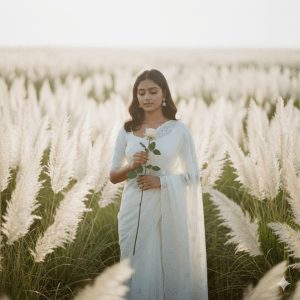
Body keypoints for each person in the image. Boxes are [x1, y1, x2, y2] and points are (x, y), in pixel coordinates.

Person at [110, 69, 208, 300]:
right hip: (133, 208)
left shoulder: (179, 131)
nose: (146, 97)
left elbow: (194, 176)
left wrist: (162, 182)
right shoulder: (127, 130)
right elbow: (113, 176)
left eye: (153, 91)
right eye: (141, 92)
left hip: (167, 209)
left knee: (165, 262)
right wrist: (131, 166)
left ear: (164, 93)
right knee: (134, 264)